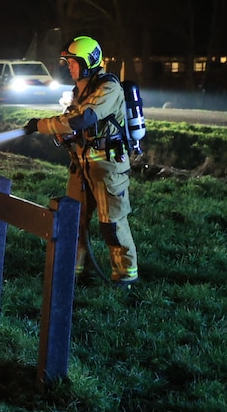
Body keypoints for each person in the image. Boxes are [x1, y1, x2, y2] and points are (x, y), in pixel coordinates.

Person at [22, 36, 139, 287]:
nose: (69, 66)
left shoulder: (109, 88)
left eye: (73, 62)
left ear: (88, 62)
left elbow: (81, 118)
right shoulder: (80, 91)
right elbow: (71, 122)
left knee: (112, 224)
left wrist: (40, 125)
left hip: (108, 166)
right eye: (68, 62)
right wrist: (61, 133)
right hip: (82, 164)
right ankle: (73, 271)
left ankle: (125, 275)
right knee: (74, 219)